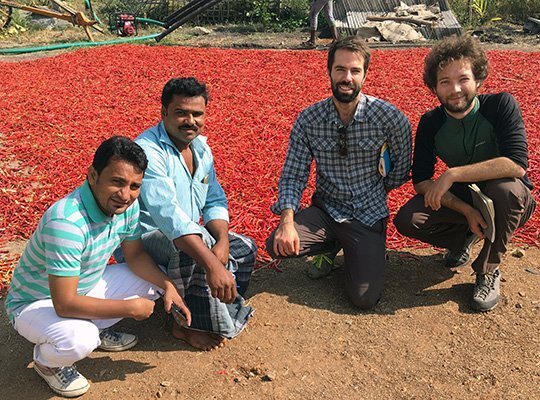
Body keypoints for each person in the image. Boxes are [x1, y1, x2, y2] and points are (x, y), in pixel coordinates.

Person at [5, 136, 190, 398]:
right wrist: (129, 308)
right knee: (81, 339)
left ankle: (97, 328)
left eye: (134, 186)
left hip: (83, 285)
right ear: (93, 175)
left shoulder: (127, 207)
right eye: (117, 181)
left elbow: (135, 255)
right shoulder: (67, 222)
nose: (125, 195)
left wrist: (168, 286)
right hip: (36, 302)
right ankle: (47, 362)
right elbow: (65, 304)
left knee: (153, 279)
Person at [266, 36, 412, 309]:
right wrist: (287, 221)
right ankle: (332, 245)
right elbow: (294, 173)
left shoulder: (390, 118)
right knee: (277, 244)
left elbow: (401, 170)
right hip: (326, 210)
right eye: (340, 69)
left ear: (365, 75)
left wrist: (375, 194)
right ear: (329, 71)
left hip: (366, 214)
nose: (347, 77)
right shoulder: (309, 119)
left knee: (364, 298)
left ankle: (361, 248)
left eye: (355, 71)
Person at [394, 35, 536, 312]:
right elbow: (421, 180)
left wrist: (452, 174)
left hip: (510, 198)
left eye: (463, 79)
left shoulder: (500, 106)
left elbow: (516, 164)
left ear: (478, 79)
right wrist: (466, 211)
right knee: (409, 219)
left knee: (505, 190)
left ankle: (488, 269)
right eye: (445, 82)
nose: (455, 89)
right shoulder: (431, 123)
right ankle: (464, 239)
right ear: (434, 87)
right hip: (468, 199)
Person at [132, 77, 257, 351]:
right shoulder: (148, 151)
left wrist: (222, 241)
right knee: (198, 245)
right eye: (181, 113)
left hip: (185, 232)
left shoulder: (201, 147)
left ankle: (216, 301)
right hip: (147, 239)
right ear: (164, 112)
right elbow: (168, 217)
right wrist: (213, 264)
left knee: (244, 247)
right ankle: (184, 326)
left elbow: (214, 197)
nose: (190, 121)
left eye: (197, 114)